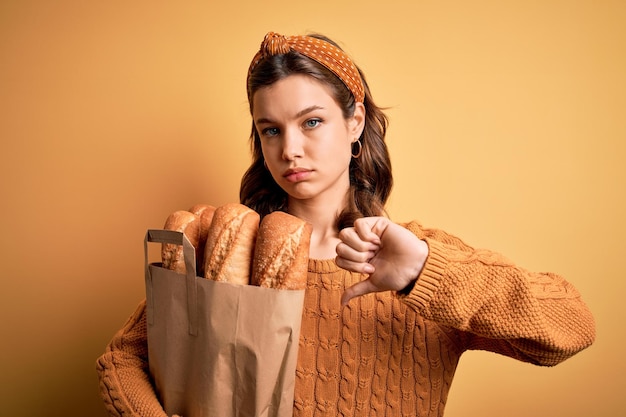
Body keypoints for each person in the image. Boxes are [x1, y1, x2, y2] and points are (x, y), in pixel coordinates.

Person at [97, 31, 596, 416]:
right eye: (271, 130)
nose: (289, 149)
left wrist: (424, 272)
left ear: (354, 121)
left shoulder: (419, 256)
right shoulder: (228, 252)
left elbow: (570, 328)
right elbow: (122, 359)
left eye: (311, 122)